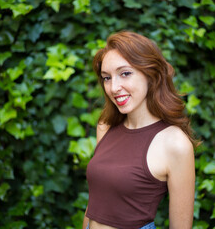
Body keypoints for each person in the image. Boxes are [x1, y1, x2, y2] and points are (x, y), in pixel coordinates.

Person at [83, 31, 198, 229]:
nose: (114, 87)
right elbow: (95, 203)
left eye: (125, 73)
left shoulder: (175, 144)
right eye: (106, 78)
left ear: (150, 74)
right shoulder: (105, 126)